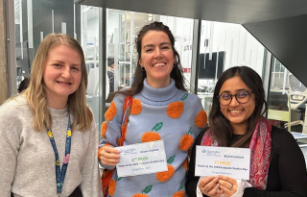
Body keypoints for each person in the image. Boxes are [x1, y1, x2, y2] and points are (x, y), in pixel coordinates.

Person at [98, 21, 207, 197]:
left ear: (174, 55)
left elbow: (201, 158)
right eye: (149, 49)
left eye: (164, 47)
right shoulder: (123, 102)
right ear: (141, 60)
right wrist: (104, 156)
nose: (158, 54)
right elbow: (105, 148)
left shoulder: (191, 105)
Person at [0, 33, 102, 197]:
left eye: (74, 68)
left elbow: (90, 178)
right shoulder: (12, 114)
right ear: (41, 67)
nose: (67, 74)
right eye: (58, 65)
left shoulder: (84, 115)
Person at [186, 66, 307, 197]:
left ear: (257, 97)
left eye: (242, 94)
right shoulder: (205, 138)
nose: (233, 103)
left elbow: (298, 194)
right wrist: (201, 190)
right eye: (226, 96)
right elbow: (191, 183)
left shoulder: (281, 141)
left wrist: (245, 194)